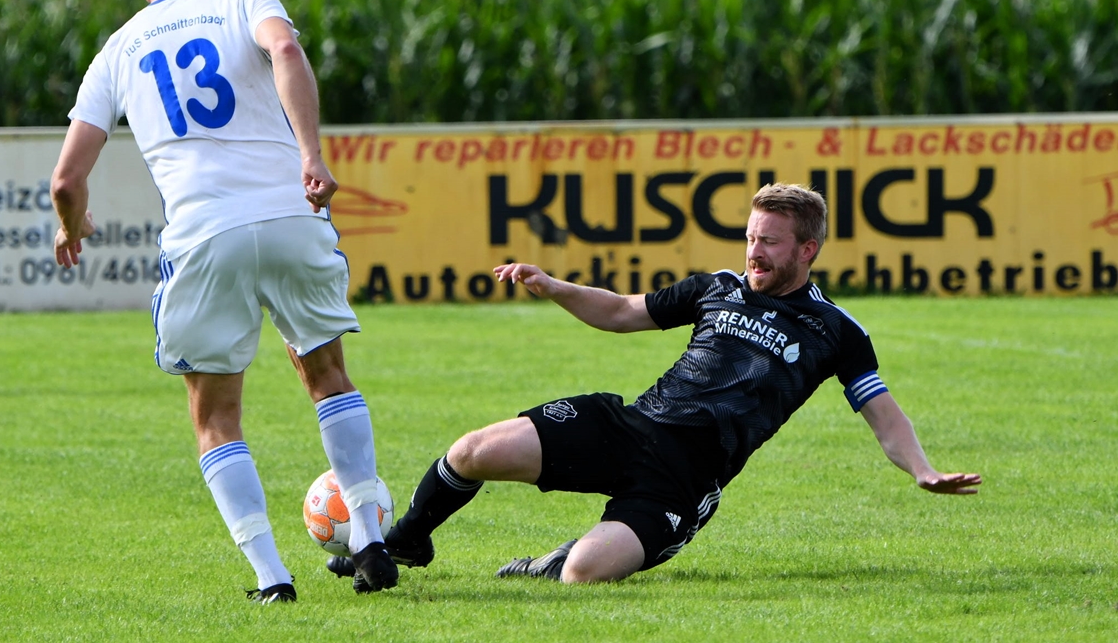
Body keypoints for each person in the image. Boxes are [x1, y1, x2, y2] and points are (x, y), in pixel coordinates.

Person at [327, 182, 980, 585]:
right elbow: (621, 311)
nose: (754, 252)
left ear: (807, 250)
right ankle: (406, 539)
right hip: (631, 425)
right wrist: (553, 286)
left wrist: (922, 470)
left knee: (583, 575)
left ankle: (557, 559)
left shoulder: (835, 330)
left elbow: (883, 414)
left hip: (685, 479)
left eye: (771, 243)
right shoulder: (716, 288)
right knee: (474, 451)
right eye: (751, 237)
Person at [50, 0, 397, 601]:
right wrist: (311, 156)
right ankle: (369, 537)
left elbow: (66, 179)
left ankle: (272, 578)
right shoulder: (245, 3)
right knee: (328, 375)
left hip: (205, 235)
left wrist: (72, 224)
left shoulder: (118, 49)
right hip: (292, 213)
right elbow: (286, 50)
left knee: (216, 419)